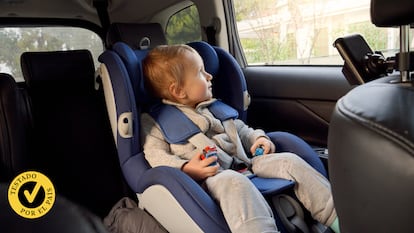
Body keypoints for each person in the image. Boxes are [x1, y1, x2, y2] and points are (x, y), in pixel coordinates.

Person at [141, 44, 340, 233]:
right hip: (212, 179)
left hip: (248, 164)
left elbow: (242, 131)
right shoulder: (157, 123)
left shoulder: (215, 108)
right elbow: (155, 155)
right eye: (201, 72)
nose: (210, 76)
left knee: (290, 162)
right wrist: (186, 170)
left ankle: (340, 219)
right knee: (233, 182)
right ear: (178, 91)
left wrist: (257, 139)